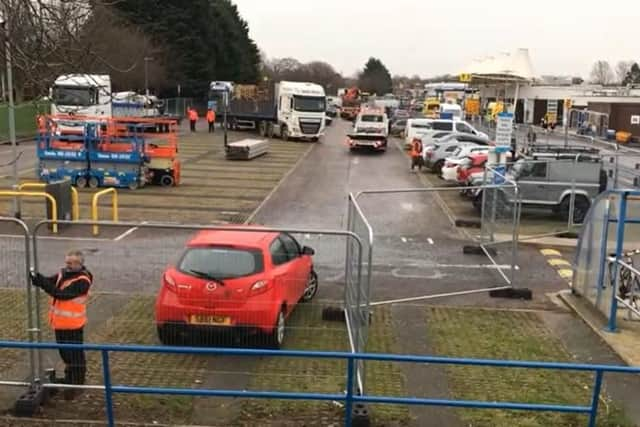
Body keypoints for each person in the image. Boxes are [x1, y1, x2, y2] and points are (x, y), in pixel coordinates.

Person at [30, 249, 92, 401]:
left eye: (71, 263)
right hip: (60, 324)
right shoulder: (64, 273)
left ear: (80, 264)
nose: (67, 265)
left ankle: (76, 384)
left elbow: (61, 294)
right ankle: (70, 380)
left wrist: (42, 283)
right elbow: (51, 281)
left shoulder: (83, 280)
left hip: (73, 325)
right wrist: (38, 278)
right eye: (67, 262)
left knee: (75, 356)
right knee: (66, 355)